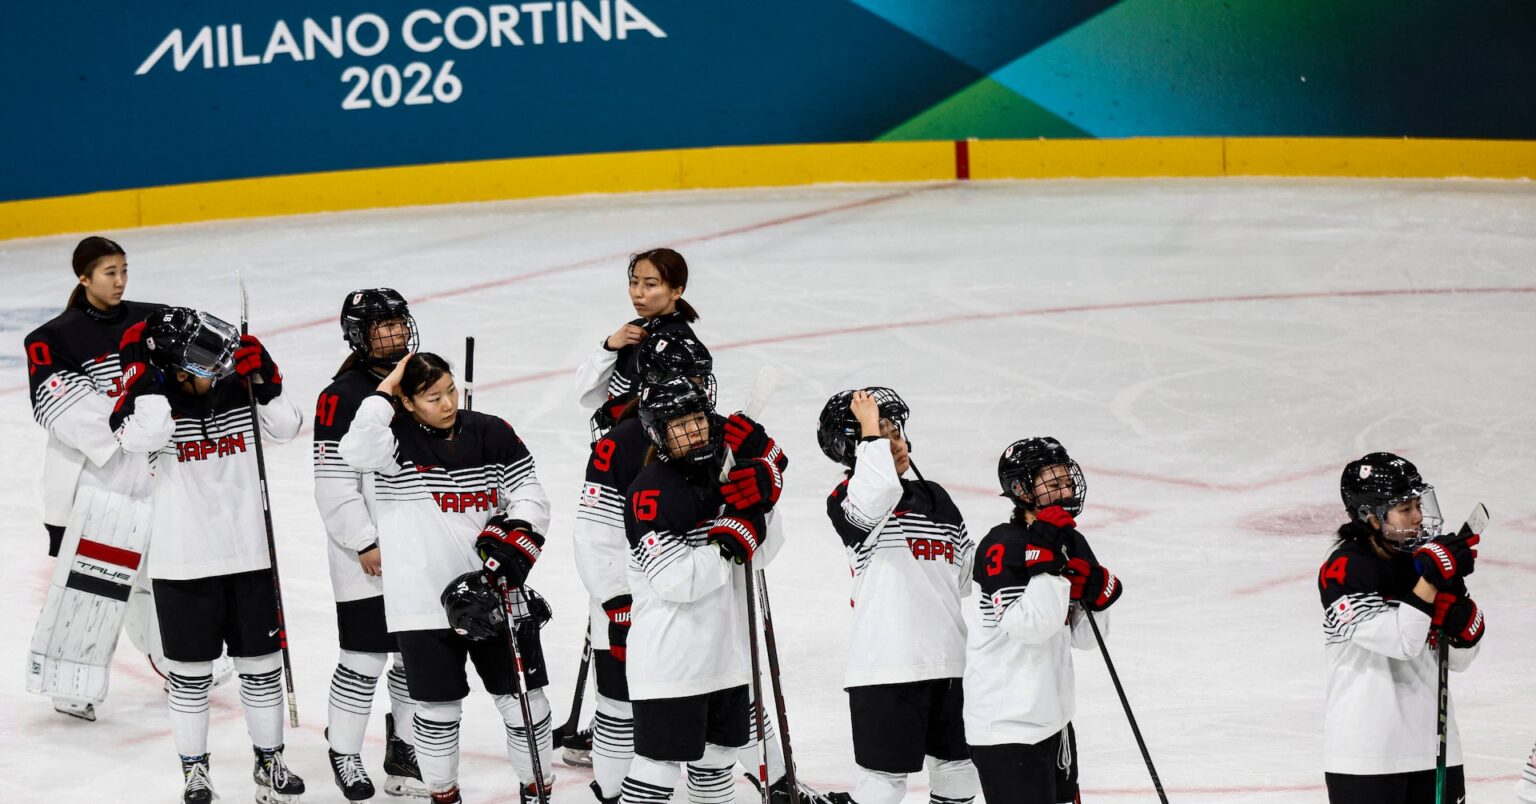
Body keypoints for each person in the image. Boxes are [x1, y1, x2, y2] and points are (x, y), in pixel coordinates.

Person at [110, 307, 306, 804]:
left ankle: (270, 760)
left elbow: (286, 427)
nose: (218, 358)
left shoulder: (238, 388)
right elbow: (149, 435)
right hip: (183, 564)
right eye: (203, 352)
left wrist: (265, 377)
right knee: (190, 679)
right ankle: (195, 771)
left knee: (262, 669)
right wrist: (143, 378)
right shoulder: (139, 406)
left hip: (250, 558)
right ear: (172, 365)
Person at [340, 352, 554, 804]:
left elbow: (529, 491)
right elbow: (354, 449)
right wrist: (385, 391)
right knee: (436, 713)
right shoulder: (392, 440)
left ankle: (537, 791)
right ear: (408, 401)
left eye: (450, 391)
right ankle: (443, 795)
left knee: (525, 704)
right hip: (420, 604)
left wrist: (519, 536)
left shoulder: (491, 431)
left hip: (496, 592)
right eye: (432, 396)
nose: (447, 403)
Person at [617, 377, 785, 804]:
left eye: (698, 420)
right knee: (658, 766)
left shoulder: (721, 470)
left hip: (727, 656)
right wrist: (729, 539)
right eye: (680, 425)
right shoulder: (650, 492)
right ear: (659, 433)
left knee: (717, 762)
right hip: (671, 660)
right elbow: (676, 580)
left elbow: (763, 554)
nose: (694, 431)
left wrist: (763, 502)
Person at [22, 236, 169, 721]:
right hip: (91, 481)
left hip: (153, 473)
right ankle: (70, 683)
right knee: (90, 584)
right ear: (83, 277)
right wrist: (134, 426)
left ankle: (173, 659)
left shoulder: (152, 318)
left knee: (158, 576)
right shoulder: (51, 337)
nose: (120, 281)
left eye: (124, 269)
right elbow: (61, 410)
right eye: (109, 272)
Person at [816, 389, 978, 804]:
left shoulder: (935, 497)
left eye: (896, 431)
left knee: (960, 772)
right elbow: (876, 496)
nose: (897, 442)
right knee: (884, 784)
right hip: (887, 665)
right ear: (855, 449)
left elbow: (964, 576)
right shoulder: (848, 499)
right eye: (880, 434)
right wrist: (872, 434)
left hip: (950, 662)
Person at [964, 437, 1122, 804]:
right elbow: (1028, 626)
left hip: (1055, 724)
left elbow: (1086, 639)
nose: (1066, 490)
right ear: (1021, 489)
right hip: (1008, 729)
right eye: (1053, 485)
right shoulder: (1002, 545)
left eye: (1067, 480)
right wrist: (1053, 572)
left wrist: (1096, 599)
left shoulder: (1072, 542)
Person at [1320, 452, 1484, 804]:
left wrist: (1462, 624)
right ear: (1371, 516)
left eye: (1417, 504)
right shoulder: (1346, 568)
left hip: (1437, 748)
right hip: (1368, 755)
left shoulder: (1424, 559)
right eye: (1404, 508)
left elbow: (1458, 659)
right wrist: (1431, 581)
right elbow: (1402, 642)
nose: (1419, 516)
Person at [313, 289, 426, 799]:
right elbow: (333, 482)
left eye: (398, 323)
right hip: (366, 553)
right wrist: (363, 540)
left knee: (411, 656)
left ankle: (404, 749)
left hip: (419, 546)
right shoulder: (342, 394)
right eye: (382, 326)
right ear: (358, 335)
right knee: (363, 658)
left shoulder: (421, 376)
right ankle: (344, 748)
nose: (395, 334)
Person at [575, 247, 701, 440]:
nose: (637, 293)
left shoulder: (678, 344)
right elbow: (588, 395)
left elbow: (686, 420)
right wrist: (608, 347)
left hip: (646, 457)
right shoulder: (631, 333)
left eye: (650, 285)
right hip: (625, 449)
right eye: (634, 282)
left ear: (677, 291)